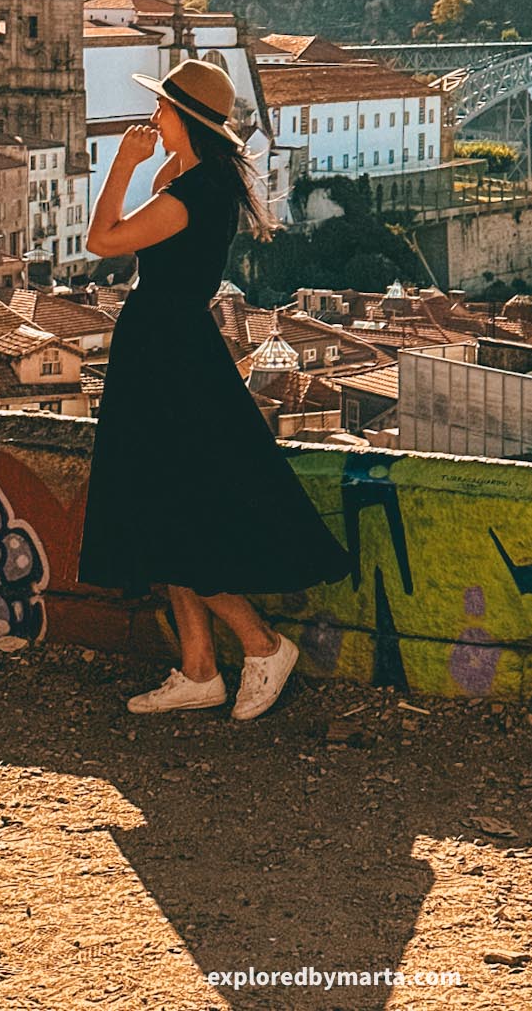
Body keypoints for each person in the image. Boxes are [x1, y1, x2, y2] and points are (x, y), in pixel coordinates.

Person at [76, 57, 350, 721]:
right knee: (160, 504)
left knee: (180, 510)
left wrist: (120, 166)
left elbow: (100, 238)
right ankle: (200, 669)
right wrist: (157, 158)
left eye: (162, 109)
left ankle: (260, 643)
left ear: (187, 121)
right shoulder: (193, 179)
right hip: (165, 348)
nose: (152, 118)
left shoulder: (188, 195)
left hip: (168, 353)